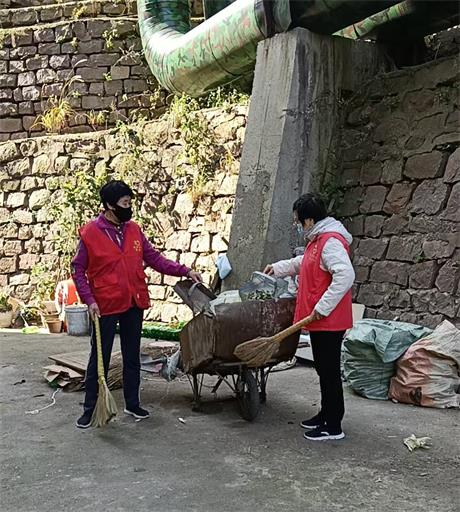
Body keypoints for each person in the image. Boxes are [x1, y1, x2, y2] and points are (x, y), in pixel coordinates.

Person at [72, 180, 202, 429]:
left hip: (133, 301)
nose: (129, 207)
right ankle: (90, 409)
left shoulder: (133, 230)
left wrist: (185, 271)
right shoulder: (90, 233)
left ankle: (132, 403)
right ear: (110, 205)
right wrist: (89, 300)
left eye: (130, 202)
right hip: (105, 304)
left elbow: (154, 259)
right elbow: (78, 270)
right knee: (99, 357)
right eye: (124, 203)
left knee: (132, 355)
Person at [264, 193, 354, 441]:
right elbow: (305, 262)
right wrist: (278, 268)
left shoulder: (331, 241)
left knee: (329, 371)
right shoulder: (318, 239)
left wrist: (323, 307)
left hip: (329, 320)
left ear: (310, 220)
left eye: (298, 220)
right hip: (319, 320)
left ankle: (333, 426)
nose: (297, 224)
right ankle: (325, 414)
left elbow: (345, 275)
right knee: (323, 370)